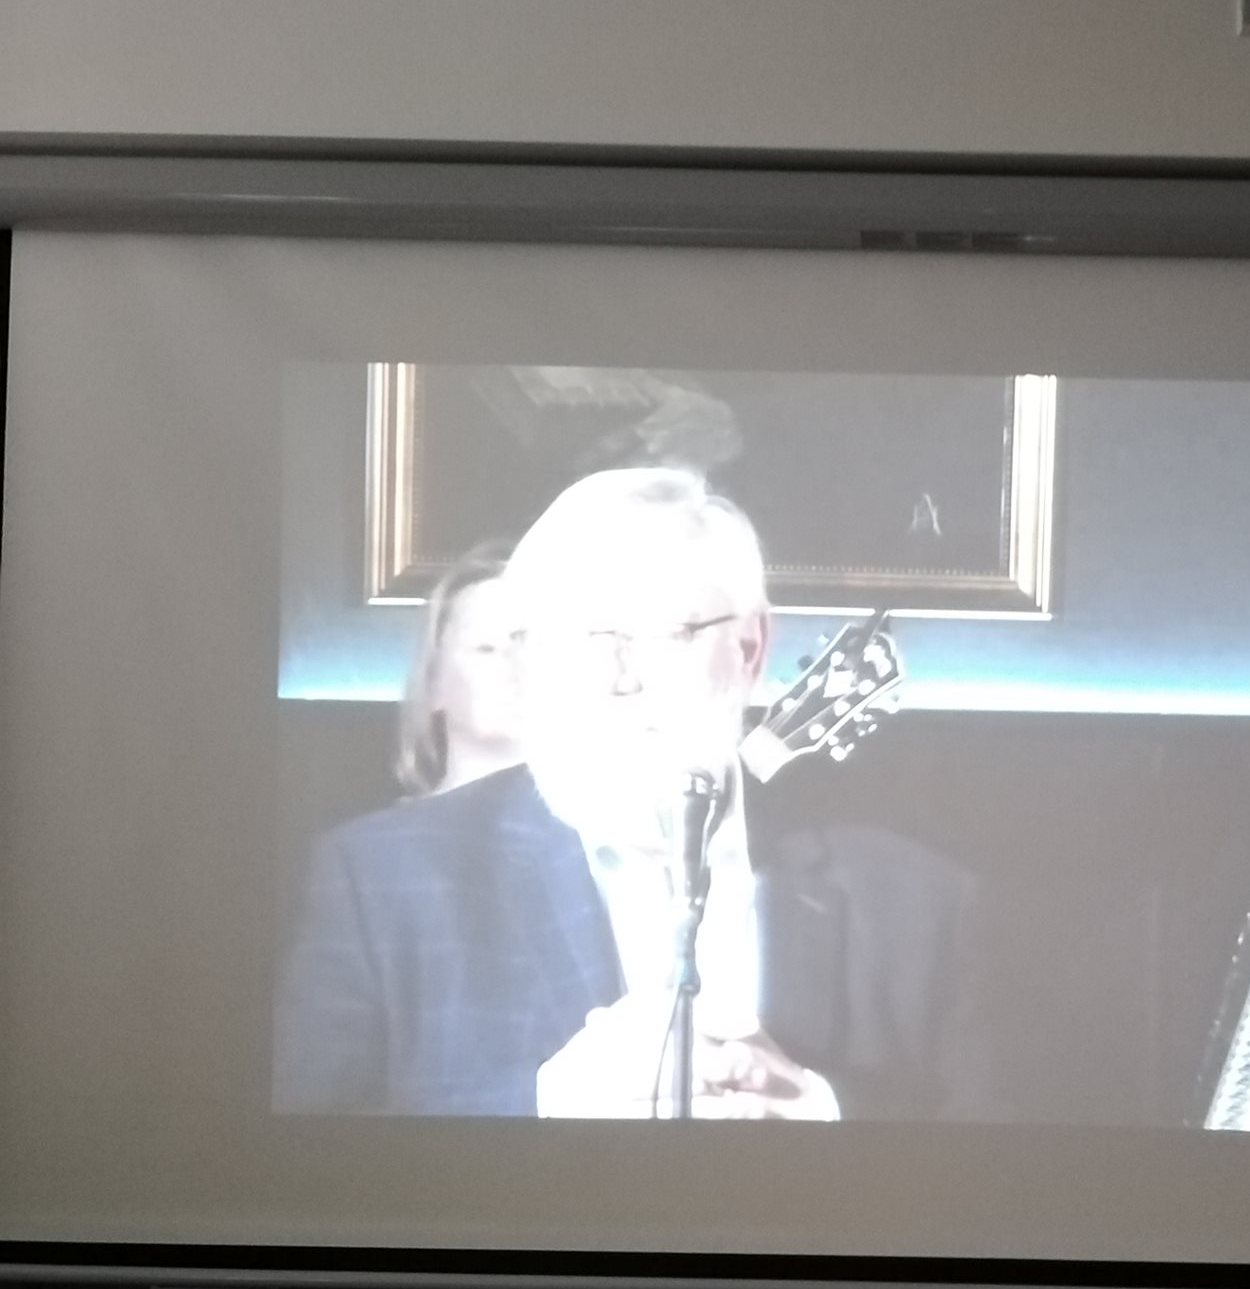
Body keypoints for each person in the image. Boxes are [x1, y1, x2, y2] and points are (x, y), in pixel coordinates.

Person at [274, 467, 986, 1119]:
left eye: (657, 634)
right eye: (565, 638)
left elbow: (1002, 1170)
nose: (611, 679)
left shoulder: (919, 901)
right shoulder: (379, 880)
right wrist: (542, 1109)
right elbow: (295, 1175)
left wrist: (823, 1115)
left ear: (749, 650)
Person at [394, 543, 523, 797]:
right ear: (433, 682)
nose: (518, 665)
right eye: (487, 648)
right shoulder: (393, 828)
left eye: (535, 645)